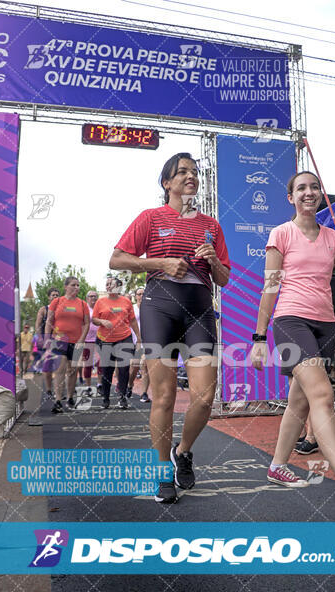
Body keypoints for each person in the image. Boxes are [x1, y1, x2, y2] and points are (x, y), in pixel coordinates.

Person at [250, 171, 335, 512]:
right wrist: (259, 336)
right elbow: (270, 287)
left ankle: (277, 466)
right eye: (301, 188)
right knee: (323, 395)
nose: (309, 193)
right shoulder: (280, 234)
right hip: (290, 321)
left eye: (314, 187)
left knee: (301, 401)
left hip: (325, 326)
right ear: (290, 198)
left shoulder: (332, 237)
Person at [109, 152, 231, 503]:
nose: (190, 177)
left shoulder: (212, 225)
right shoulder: (150, 217)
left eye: (194, 172)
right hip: (159, 306)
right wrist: (161, 261)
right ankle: (163, 472)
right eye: (182, 173)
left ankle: (184, 451)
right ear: (167, 183)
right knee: (162, 396)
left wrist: (212, 261)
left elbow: (225, 277)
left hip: (199, 309)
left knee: (205, 397)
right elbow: (116, 258)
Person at [92, 277, 141, 409]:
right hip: (105, 340)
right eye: (106, 284)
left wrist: (139, 339)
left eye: (110, 284)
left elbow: (133, 321)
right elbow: (94, 319)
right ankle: (106, 399)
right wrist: (102, 322)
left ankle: (122, 397)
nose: (108, 286)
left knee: (124, 368)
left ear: (117, 286)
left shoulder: (126, 301)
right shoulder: (100, 302)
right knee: (107, 370)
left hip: (124, 338)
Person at [44, 277, 90, 413]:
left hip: (76, 342)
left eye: (78, 285)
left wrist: (82, 339)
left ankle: (70, 397)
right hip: (59, 340)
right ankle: (58, 400)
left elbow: (87, 323)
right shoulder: (57, 302)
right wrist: (47, 338)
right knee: (60, 369)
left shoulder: (82, 304)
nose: (76, 287)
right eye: (73, 285)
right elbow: (49, 321)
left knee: (73, 370)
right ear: (66, 287)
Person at [35, 287, 60, 400]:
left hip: (60, 339)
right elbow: (38, 324)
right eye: (53, 295)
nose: (55, 297)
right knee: (47, 366)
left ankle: (58, 391)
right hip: (47, 339)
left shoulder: (62, 309)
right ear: (49, 297)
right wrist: (40, 338)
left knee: (60, 367)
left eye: (57, 295)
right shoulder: (44, 309)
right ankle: (49, 390)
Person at [126, 287, 151, 403]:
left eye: (143, 294)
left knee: (145, 365)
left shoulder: (151, 308)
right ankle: (130, 385)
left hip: (148, 342)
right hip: (134, 342)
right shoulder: (132, 309)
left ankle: (144, 393)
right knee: (133, 368)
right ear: (135, 296)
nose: (141, 296)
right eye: (139, 294)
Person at [82, 290, 103, 394]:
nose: (93, 298)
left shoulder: (100, 308)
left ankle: (99, 385)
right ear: (87, 298)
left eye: (95, 296)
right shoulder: (84, 309)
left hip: (99, 339)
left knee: (100, 363)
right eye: (91, 296)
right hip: (87, 339)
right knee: (88, 364)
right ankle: (88, 386)